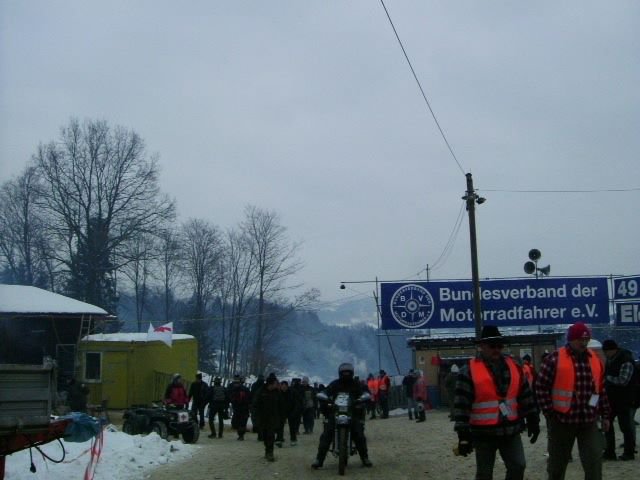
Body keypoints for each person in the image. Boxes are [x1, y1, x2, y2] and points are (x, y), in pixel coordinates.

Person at [454, 325, 539, 480]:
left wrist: (533, 418)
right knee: (484, 474)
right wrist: (463, 435)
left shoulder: (515, 367)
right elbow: (461, 406)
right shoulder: (468, 371)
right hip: (483, 434)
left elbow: (525, 395)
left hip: (510, 430)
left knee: (518, 466)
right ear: (481, 346)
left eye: (500, 345)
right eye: (492, 345)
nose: (497, 349)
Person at [535, 322, 611, 480]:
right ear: (570, 339)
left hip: (588, 420)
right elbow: (541, 387)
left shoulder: (595, 360)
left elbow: (601, 389)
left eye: (586, 339)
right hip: (562, 421)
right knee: (557, 465)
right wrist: (550, 413)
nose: (584, 343)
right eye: (580, 339)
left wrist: (605, 415)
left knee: (594, 462)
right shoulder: (554, 358)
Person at [311, 362, 372, 469]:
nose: (346, 375)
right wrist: (324, 396)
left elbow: (365, 393)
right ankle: (319, 459)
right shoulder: (335, 384)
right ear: (340, 373)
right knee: (326, 434)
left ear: (352, 373)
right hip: (335, 412)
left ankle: (365, 458)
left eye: (348, 373)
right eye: (344, 373)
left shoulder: (357, 384)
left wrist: (362, 398)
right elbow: (326, 391)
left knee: (359, 434)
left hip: (352, 413)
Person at [601, 339, 636, 460]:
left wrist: (607, 378)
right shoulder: (611, 360)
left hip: (624, 399)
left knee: (625, 427)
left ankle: (629, 452)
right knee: (608, 426)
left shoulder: (626, 361)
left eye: (605, 352)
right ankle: (609, 452)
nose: (605, 354)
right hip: (612, 399)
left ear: (612, 350)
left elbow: (623, 380)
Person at [254, 373, 283, 462]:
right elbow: (255, 405)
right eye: (275, 383)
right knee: (265, 435)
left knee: (271, 435)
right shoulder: (261, 391)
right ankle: (267, 449)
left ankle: (270, 452)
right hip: (262, 417)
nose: (277, 385)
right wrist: (256, 417)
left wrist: (281, 417)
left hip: (273, 417)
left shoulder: (277, 392)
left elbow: (281, 405)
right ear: (271, 384)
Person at [229, 374, 251, 440]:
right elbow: (249, 398)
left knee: (239, 421)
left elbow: (230, 397)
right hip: (243, 408)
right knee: (242, 422)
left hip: (238, 408)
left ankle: (240, 434)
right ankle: (241, 434)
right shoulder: (245, 389)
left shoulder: (233, 388)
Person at [250, 374, 265, 439]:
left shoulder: (254, 385)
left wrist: (251, 402)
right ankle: (260, 430)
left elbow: (251, 393)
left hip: (254, 403)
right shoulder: (264, 385)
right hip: (262, 403)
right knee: (261, 417)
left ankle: (255, 427)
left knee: (254, 416)